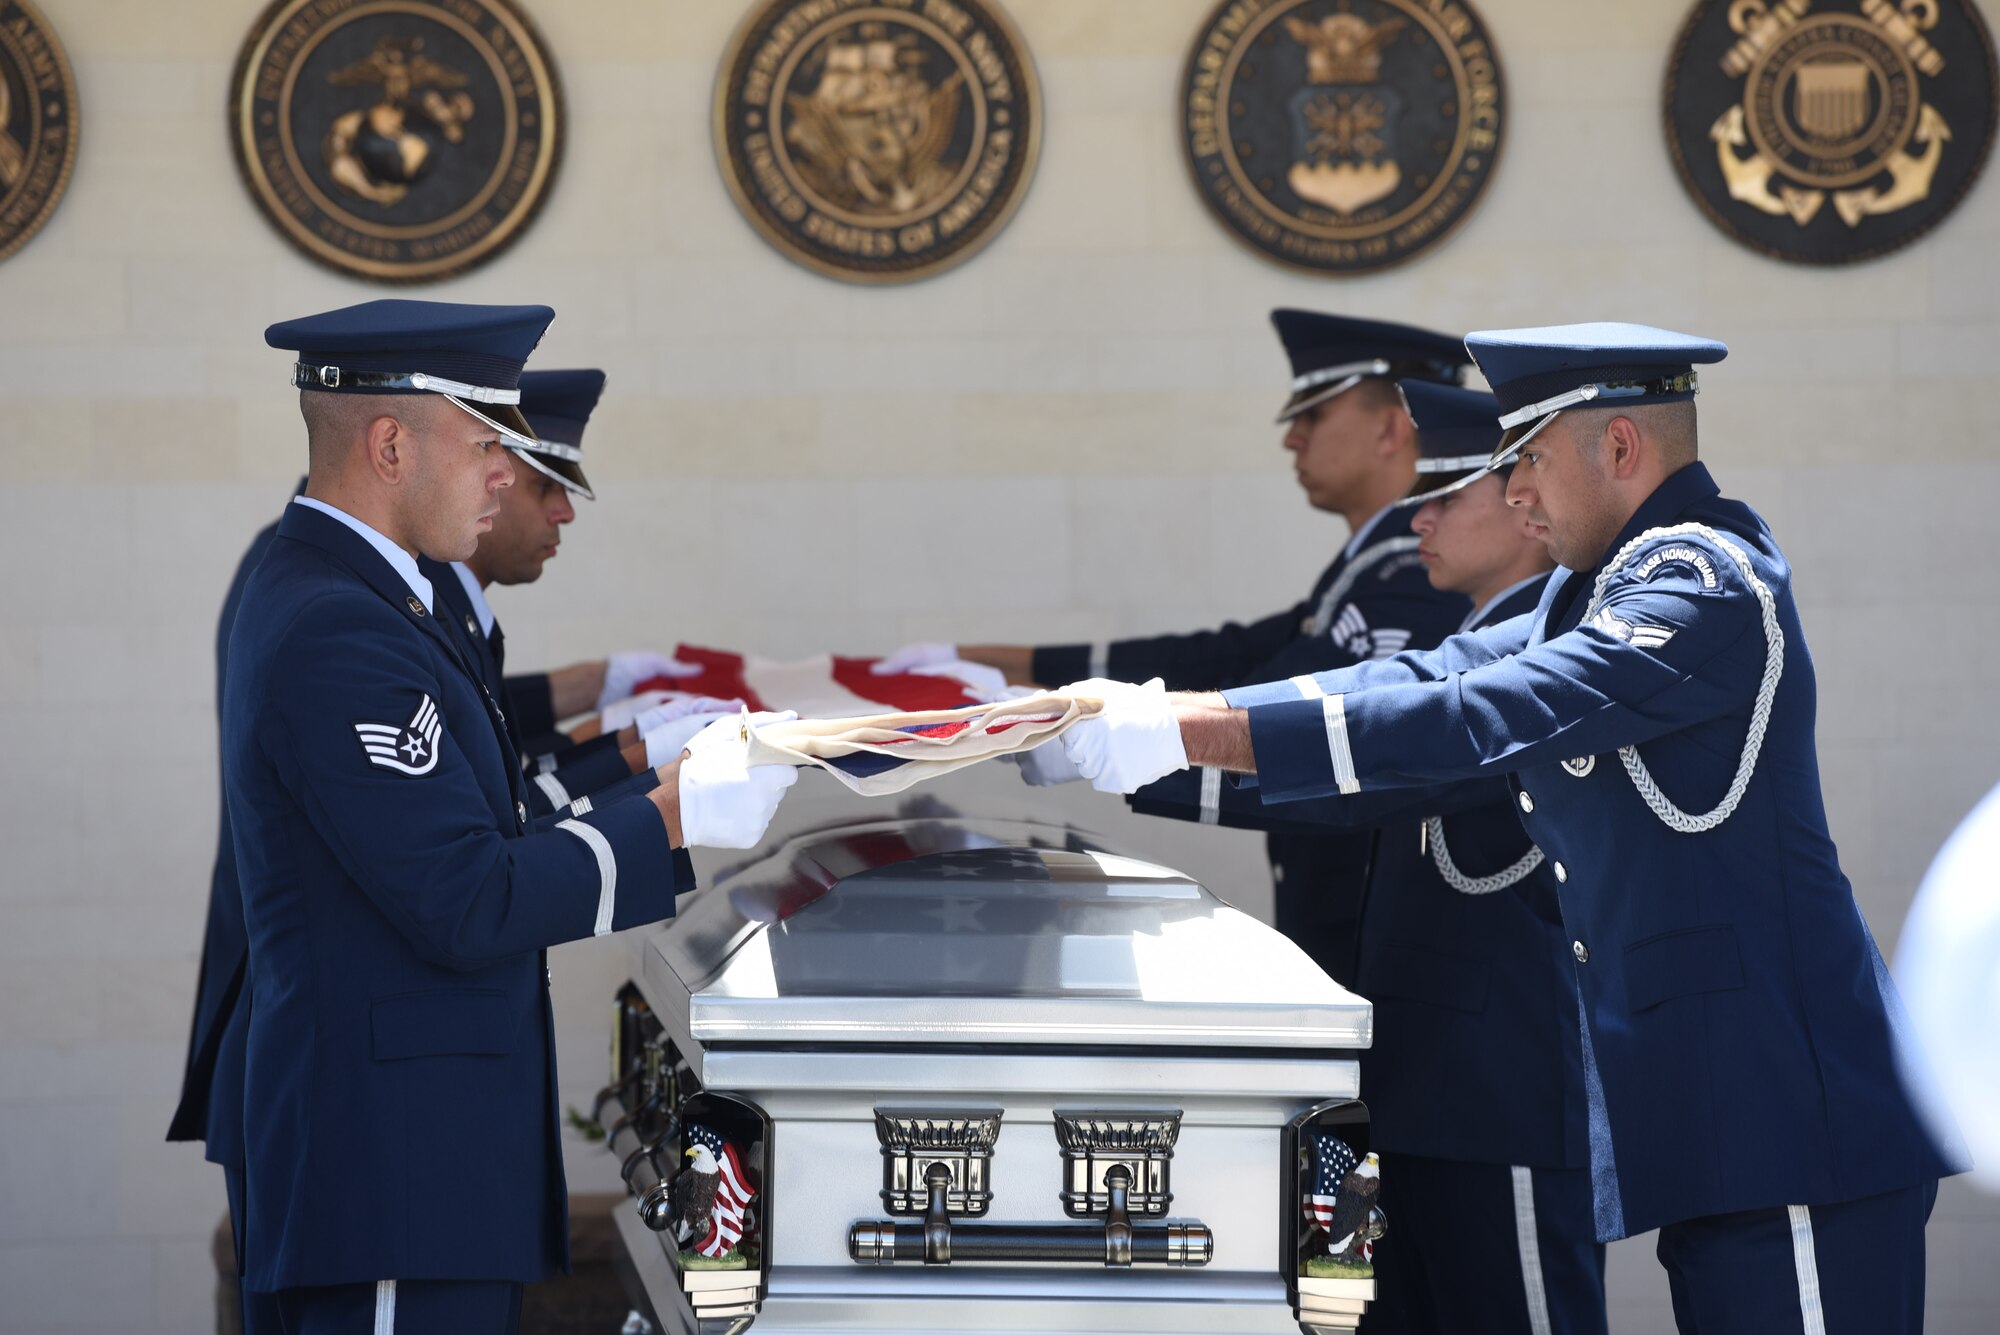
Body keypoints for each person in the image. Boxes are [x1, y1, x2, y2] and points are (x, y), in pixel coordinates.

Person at [1060, 323, 1963, 1333]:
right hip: (1710, 1123)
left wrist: (1186, 730)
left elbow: (1496, 707)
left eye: (1522, 459)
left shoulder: (1702, 577)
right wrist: (1119, 728)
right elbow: (1414, 679)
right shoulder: (1583, 597)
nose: (1514, 493)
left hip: (1790, 1117)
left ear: (1618, 449)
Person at [226, 299, 797, 1333]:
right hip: (390, 1170)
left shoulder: (360, 599)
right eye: (488, 439)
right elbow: (465, 896)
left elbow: (475, 822)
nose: (508, 470)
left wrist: (643, 778)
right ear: (390, 442)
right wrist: (672, 811)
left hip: (412, 1162)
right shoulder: (339, 629)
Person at [1133, 382, 1600, 1335]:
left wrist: (1135, 747)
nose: (1416, 521)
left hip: (1504, 1090)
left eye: (1443, 496)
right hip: (1424, 1086)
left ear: (1521, 504)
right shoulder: (1466, 641)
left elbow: (1362, 777)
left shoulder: (1546, 648)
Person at [879, 311, 1473, 982]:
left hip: (1389, 948)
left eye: (1313, 415)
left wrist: (1121, 733)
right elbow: (1214, 658)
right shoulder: (1371, 567)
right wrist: (1007, 668)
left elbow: (1290, 706)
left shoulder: (1409, 572)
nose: (1291, 439)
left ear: (1390, 426)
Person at [421, 367, 719, 816]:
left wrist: (603, 701)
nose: (564, 513)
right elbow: (496, 818)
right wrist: (647, 770)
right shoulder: (427, 611)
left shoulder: (453, 606)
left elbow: (504, 767)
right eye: (545, 487)